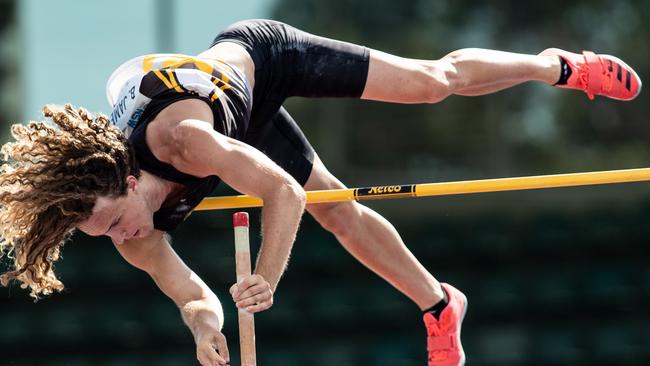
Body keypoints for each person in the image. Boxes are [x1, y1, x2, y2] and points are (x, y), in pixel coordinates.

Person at [0, 19, 641, 366]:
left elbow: (281, 193)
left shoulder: (181, 143)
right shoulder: (132, 234)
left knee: (431, 82)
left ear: (130, 178)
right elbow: (192, 294)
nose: (122, 238)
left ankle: (558, 64)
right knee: (341, 211)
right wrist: (203, 329)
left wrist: (269, 277)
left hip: (258, 59)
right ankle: (440, 306)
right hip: (227, 113)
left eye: (115, 222)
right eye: (103, 236)